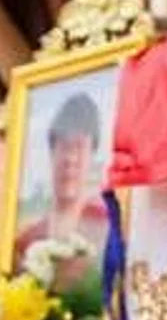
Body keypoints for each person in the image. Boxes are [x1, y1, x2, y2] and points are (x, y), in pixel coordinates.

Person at [14, 91, 111, 256]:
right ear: (52, 151)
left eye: (79, 147)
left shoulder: (106, 225)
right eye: (65, 146)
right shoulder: (26, 240)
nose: (70, 159)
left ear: (92, 155)